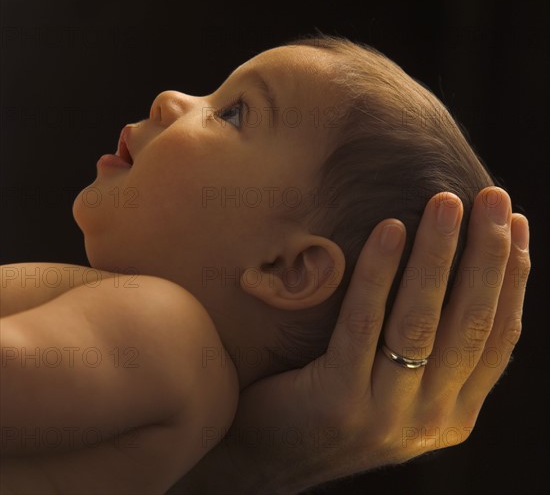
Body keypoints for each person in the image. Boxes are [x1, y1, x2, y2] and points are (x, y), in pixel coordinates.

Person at [0, 35, 530, 494]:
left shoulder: (170, 333)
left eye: (232, 113)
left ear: (287, 269)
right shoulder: (175, 386)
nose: (169, 100)